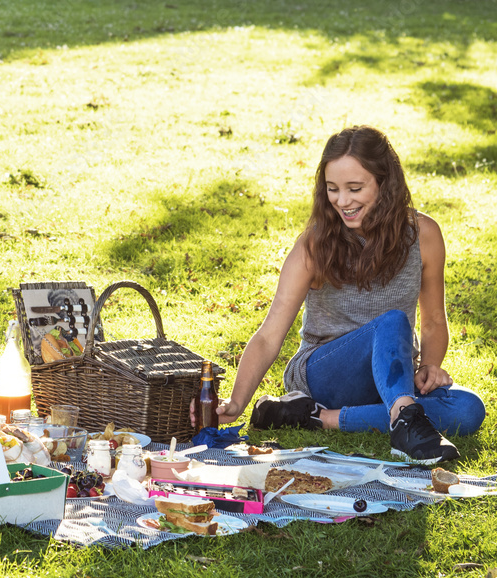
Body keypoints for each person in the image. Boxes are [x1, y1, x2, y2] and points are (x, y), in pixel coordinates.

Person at [194, 125, 485, 464]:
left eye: (355, 188)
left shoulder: (424, 236)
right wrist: (237, 402)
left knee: (468, 408)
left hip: (391, 376)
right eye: (333, 189)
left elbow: (434, 320)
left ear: (385, 183)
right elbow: (270, 334)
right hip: (323, 374)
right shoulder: (315, 244)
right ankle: (403, 419)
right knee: (391, 322)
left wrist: (430, 367)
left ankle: (320, 417)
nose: (342, 201)